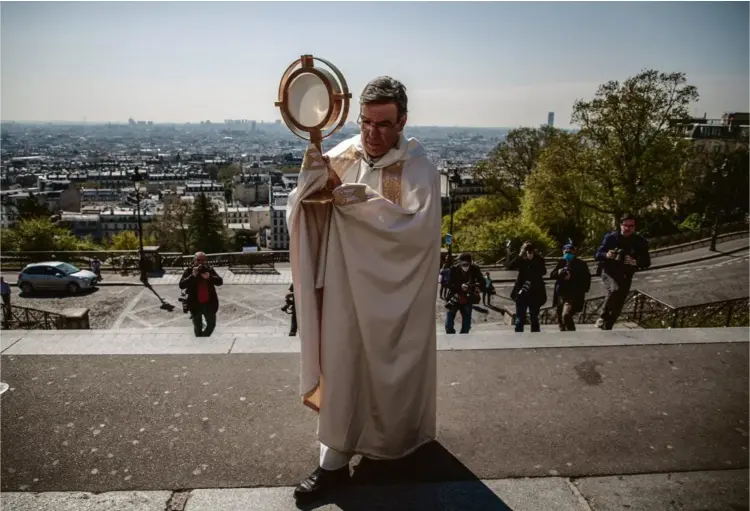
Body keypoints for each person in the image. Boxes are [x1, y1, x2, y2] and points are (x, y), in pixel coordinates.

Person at [286, 76, 442, 504]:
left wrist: (353, 200)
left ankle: (397, 446)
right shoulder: (340, 155)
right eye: (366, 123)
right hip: (342, 292)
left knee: (396, 370)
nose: (373, 135)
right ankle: (332, 463)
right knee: (341, 367)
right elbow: (303, 210)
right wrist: (309, 189)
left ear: (404, 121)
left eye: (385, 125)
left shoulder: (420, 169)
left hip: (397, 298)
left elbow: (416, 232)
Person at [594, 214, 651, 330]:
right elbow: (597, 255)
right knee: (614, 290)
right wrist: (607, 254)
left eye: (631, 226)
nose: (628, 228)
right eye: (625, 225)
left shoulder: (640, 241)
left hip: (626, 274)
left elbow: (646, 262)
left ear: (635, 227)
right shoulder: (611, 238)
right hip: (609, 271)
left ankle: (608, 327)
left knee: (620, 301)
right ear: (620, 226)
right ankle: (602, 316)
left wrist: (635, 261)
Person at [178, 252, 224, 337]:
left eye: (203, 260)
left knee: (211, 325)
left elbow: (220, 282)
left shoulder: (209, 269)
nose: (200, 262)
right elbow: (181, 285)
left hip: (209, 303)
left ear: (205, 261)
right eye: (198, 260)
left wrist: (209, 277)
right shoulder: (189, 270)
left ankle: (203, 338)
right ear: (194, 260)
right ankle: (200, 343)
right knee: (197, 326)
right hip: (195, 304)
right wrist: (192, 276)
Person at [550, 242, 591, 331]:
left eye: (570, 252)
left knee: (566, 314)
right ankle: (564, 335)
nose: (567, 254)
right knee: (560, 317)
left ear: (574, 252)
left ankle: (572, 332)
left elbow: (586, 279)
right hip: (560, 293)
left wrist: (572, 276)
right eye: (566, 252)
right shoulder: (561, 262)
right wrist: (559, 272)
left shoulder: (581, 264)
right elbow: (552, 275)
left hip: (572, 294)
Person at [507, 241, 547, 332]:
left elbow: (543, 272)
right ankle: (518, 336)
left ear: (533, 250)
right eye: (526, 250)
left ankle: (535, 337)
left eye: (530, 250)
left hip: (535, 292)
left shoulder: (539, 259)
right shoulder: (521, 259)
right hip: (522, 292)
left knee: (534, 318)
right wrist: (520, 255)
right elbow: (510, 266)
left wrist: (533, 261)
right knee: (519, 318)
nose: (528, 252)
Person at [445, 253, 485, 334]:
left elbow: (482, 282)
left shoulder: (475, 269)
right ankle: (451, 338)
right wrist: (460, 286)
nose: (465, 266)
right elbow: (449, 284)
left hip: (467, 299)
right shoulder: (454, 269)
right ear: (460, 263)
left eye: (467, 264)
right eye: (463, 264)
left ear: (470, 263)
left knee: (466, 326)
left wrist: (471, 286)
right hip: (454, 298)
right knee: (448, 325)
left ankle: (463, 340)